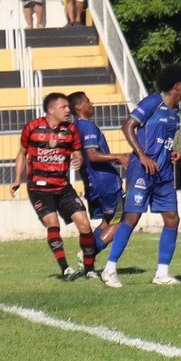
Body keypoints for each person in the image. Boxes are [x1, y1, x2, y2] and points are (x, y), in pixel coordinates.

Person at [100, 65, 181, 287]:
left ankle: (162, 273)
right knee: (131, 218)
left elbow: (161, 142)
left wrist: (171, 154)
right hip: (142, 169)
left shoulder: (175, 113)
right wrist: (141, 156)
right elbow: (128, 126)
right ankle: (109, 269)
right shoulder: (153, 102)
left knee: (172, 218)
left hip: (163, 173)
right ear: (177, 86)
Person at [10, 92, 98, 279]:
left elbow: (77, 153)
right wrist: (17, 178)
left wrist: (78, 160)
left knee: (84, 224)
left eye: (68, 107)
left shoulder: (71, 130)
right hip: (39, 188)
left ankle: (90, 270)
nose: (68, 110)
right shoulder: (32, 128)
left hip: (62, 186)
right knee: (52, 223)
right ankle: (66, 269)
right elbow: (22, 153)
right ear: (51, 110)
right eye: (63, 107)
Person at [70, 91, 125, 253]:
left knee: (107, 222)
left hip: (92, 184)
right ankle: (88, 254)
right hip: (105, 184)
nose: (91, 104)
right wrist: (119, 157)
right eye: (88, 101)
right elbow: (92, 155)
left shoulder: (74, 128)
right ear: (79, 106)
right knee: (122, 221)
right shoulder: (87, 126)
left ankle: (87, 259)